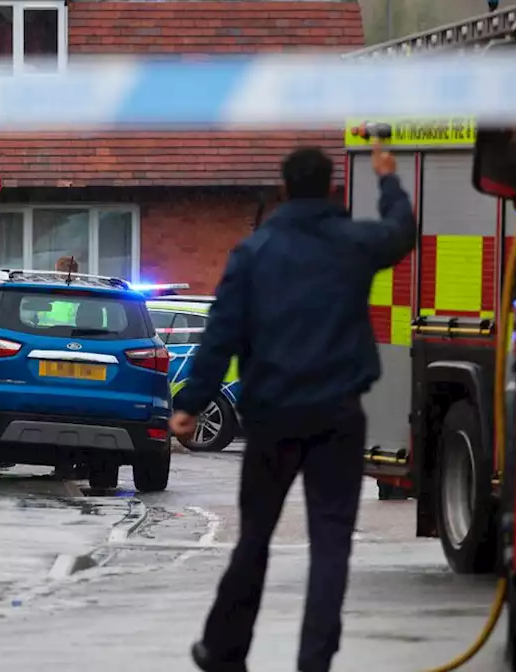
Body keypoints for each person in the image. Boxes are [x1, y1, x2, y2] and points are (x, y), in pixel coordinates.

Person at [172, 143, 414, 672]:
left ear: (282, 189)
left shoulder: (254, 253)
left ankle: (224, 651)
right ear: (331, 187)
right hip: (338, 417)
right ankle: (314, 662)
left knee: (254, 538)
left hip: (272, 417)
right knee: (331, 544)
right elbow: (401, 231)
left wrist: (190, 402)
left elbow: (221, 335)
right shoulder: (353, 243)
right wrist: (389, 179)